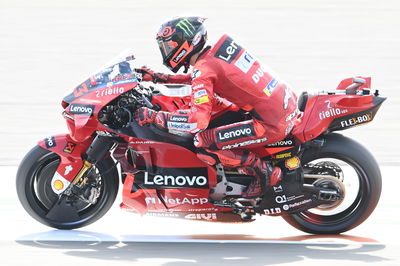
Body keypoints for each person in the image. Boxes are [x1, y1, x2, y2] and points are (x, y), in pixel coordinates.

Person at [135, 16, 299, 197]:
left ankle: (264, 172)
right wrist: (161, 78)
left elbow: (198, 122)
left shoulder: (203, 70)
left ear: (186, 43)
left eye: (169, 47)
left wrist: (157, 117)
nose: (166, 52)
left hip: (270, 124)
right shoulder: (213, 54)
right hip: (283, 103)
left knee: (203, 142)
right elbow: (204, 77)